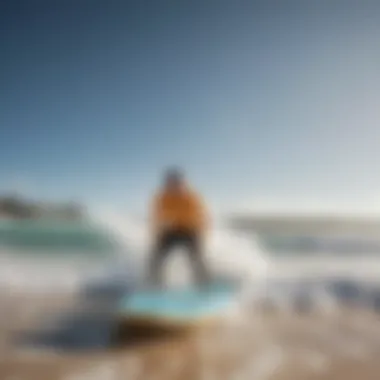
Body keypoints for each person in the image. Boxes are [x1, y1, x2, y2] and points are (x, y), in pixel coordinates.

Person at [148, 168, 210, 287]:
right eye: (170, 182)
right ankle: (154, 283)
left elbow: (202, 216)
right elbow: (155, 217)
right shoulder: (162, 198)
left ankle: (204, 284)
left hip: (190, 230)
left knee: (197, 259)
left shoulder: (191, 196)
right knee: (156, 258)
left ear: (182, 183)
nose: (174, 185)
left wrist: (202, 233)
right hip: (171, 231)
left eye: (177, 182)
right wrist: (156, 233)